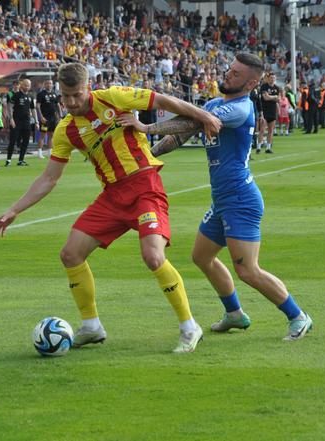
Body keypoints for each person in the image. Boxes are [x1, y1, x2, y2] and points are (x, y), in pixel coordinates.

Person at [0, 62, 221, 353]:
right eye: (65, 96)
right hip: (112, 196)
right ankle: (91, 326)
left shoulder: (113, 97)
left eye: (76, 94)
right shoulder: (66, 131)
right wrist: (15, 209)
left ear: (87, 87)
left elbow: (165, 100)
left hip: (144, 186)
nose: (71, 102)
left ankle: (190, 327)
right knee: (70, 253)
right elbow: (49, 178)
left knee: (152, 256)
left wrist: (205, 116)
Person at [117, 52, 313, 342]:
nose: (227, 75)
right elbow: (180, 134)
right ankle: (235, 314)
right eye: (229, 70)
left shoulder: (240, 109)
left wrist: (146, 128)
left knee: (247, 270)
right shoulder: (214, 104)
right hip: (222, 200)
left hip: (240, 200)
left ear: (251, 83)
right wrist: (148, 156)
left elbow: (194, 124)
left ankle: (298, 316)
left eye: (235, 74)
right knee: (202, 256)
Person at [6, 78, 37, 166]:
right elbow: (10, 107)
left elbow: (33, 109)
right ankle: (8, 160)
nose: (27, 87)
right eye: (25, 85)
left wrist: (36, 121)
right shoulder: (16, 95)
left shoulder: (31, 96)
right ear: (21, 85)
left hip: (27, 121)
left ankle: (21, 160)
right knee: (13, 140)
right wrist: (11, 119)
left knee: (26, 140)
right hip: (16, 121)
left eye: (28, 85)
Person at [35, 78, 60, 159]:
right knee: (43, 135)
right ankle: (39, 153)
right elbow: (38, 106)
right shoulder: (41, 94)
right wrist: (41, 116)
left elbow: (57, 105)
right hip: (45, 118)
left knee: (51, 135)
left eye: (50, 83)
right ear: (44, 84)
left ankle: (50, 152)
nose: (49, 85)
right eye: (47, 83)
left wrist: (59, 116)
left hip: (53, 118)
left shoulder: (54, 94)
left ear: (52, 85)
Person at [258, 72, 279, 153]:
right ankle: (259, 147)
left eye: (274, 78)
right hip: (265, 110)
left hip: (273, 110)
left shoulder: (277, 88)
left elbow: (278, 99)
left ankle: (268, 147)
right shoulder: (264, 86)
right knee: (262, 129)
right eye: (271, 78)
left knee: (271, 130)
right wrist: (274, 97)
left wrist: (270, 97)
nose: (272, 79)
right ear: (268, 78)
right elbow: (265, 98)